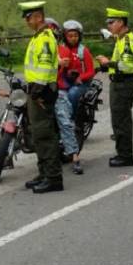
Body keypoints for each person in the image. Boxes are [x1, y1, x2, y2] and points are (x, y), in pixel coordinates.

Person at [19, 1, 62, 193]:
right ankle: (44, 172)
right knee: (37, 134)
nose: (27, 22)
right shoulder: (37, 37)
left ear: (38, 17)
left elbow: (44, 68)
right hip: (36, 91)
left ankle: (53, 178)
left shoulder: (45, 38)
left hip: (42, 92)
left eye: (29, 18)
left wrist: (36, 92)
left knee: (45, 135)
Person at [96, 7, 133, 167]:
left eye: (111, 22)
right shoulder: (120, 39)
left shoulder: (127, 40)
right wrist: (104, 66)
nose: (109, 25)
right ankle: (122, 153)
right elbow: (118, 64)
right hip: (119, 83)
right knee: (118, 121)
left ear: (121, 22)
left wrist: (109, 63)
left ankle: (125, 156)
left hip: (123, 84)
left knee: (122, 122)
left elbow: (126, 65)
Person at [58, 20, 95, 174]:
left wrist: (81, 77)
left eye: (75, 35)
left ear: (79, 36)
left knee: (72, 94)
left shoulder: (83, 51)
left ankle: (70, 118)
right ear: (65, 36)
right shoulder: (61, 50)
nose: (72, 38)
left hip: (81, 83)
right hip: (66, 80)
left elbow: (91, 70)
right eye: (70, 35)